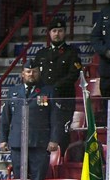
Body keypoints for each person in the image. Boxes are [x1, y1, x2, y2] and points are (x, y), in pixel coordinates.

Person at [0, 59, 63, 180]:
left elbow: (55, 118)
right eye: (28, 72)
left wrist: (54, 139)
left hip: (39, 142)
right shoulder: (13, 92)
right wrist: (3, 139)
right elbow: (5, 117)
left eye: (34, 71)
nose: (31, 74)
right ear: (23, 74)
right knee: (19, 179)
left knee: (38, 179)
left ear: (39, 73)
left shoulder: (48, 91)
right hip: (18, 143)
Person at [33, 17, 82, 149]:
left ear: (64, 32)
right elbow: (35, 74)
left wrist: (54, 88)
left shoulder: (72, 52)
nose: (57, 33)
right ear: (49, 33)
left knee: (62, 131)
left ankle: (61, 161)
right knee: (43, 127)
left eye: (60, 30)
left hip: (63, 97)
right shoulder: (41, 53)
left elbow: (74, 74)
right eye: (54, 30)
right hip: (44, 97)